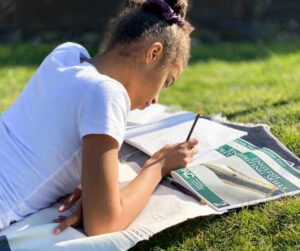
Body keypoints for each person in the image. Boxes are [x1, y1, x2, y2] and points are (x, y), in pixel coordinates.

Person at [0, 0, 198, 236]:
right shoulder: (107, 94)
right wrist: (158, 166)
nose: (155, 98)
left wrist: (94, 184)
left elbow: (51, 139)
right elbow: (103, 224)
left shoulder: (66, 55)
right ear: (153, 53)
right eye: (166, 81)